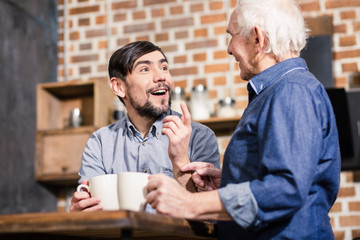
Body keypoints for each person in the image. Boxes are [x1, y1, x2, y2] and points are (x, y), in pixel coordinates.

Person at [145, 0, 341, 239]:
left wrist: (188, 202)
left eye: (232, 35)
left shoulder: (291, 90)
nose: (229, 48)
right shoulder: (280, 91)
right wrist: (230, 183)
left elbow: (285, 188)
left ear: (257, 39)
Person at [70, 41, 220, 212]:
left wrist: (180, 160)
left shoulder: (199, 136)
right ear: (119, 87)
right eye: (145, 70)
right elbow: (95, 214)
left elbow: (209, 216)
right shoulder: (100, 143)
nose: (161, 76)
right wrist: (81, 213)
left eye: (164, 67)